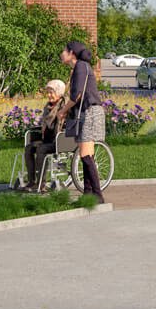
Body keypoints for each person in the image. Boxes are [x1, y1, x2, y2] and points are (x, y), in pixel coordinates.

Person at [60, 40, 107, 202]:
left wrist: (62, 111)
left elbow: (77, 96)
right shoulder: (80, 67)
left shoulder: (81, 66)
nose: (62, 54)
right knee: (87, 155)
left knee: (86, 155)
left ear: (71, 53)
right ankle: (88, 194)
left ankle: (98, 196)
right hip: (89, 112)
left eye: (64, 51)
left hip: (89, 113)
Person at [20, 80, 68, 191]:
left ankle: (41, 183)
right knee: (29, 148)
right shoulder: (48, 107)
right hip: (47, 139)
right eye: (48, 92)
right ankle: (32, 182)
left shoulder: (64, 107)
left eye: (52, 92)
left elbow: (64, 126)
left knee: (41, 149)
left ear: (59, 93)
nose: (49, 95)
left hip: (58, 141)